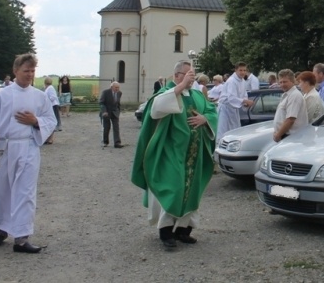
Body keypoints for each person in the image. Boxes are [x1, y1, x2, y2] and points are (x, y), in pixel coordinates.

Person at [0, 53, 57, 254]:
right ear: (15, 71)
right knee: (2, 190)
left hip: (27, 148)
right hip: (4, 148)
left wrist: (35, 122)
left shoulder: (39, 96)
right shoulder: (1, 96)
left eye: (33, 71)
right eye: (26, 70)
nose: (30, 74)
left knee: (25, 192)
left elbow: (50, 120)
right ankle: (0, 231)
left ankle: (21, 238)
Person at [131, 60, 218, 249]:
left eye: (192, 75)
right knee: (173, 190)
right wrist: (180, 86)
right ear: (177, 75)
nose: (191, 78)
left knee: (192, 192)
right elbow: (156, 109)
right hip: (170, 153)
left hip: (194, 155)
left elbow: (212, 111)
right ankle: (166, 232)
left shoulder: (197, 95)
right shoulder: (166, 93)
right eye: (187, 74)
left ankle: (183, 231)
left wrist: (205, 119)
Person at [216, 62, 254, 141]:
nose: (243, 72)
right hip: (225, 109)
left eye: (244, 70)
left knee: (235, 131)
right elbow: (231, 98)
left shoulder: (242, 81)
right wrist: (244, 100)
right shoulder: (232, 81)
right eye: (240, 70)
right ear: (236, 70)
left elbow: (244, 94)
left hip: (233, 110)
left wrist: (245, 103)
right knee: (223, 132)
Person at [272, 69, 308, 142]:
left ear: (293, 81)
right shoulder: (288, 95)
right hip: (287, 136)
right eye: (280, 82)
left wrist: (278, 134)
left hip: (292, 138)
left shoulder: (294, 95)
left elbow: (290, 120)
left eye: (285, 82)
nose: (282, 84)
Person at [99, 81, 123, 148]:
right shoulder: (105, 92)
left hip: (115, 112)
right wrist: (104, 111)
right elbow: (101, 103)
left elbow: (118, 103)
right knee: (106, 127)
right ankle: (105, 142)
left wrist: (118, 111)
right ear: (111, 87)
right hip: (106, 112)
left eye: (118, 87)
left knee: (116, 127)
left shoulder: (119, 93)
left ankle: (117, 143)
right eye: (116, 87)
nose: (117, 89)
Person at [43, 76, 60, 144]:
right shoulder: (48, 88)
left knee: (52, 121)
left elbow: (53, 97)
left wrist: (47, 101)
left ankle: (51, 138)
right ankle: (48, 138)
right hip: (50, 106)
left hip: (53, 106)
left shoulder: (50, 88)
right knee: (49, 121)